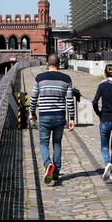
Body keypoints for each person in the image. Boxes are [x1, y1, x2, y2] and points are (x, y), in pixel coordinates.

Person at [28, 54, 76, 186]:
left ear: (47, 64)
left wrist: (32, 113)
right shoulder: (66, 79)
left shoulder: (39, 78)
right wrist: (71, 118)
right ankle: (55, 175)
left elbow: (33, 98)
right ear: (59, 64)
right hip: (60, 116)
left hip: (44, 115)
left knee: (43, 143)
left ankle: (48, 163)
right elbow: (70, 100)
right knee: (57, 144)